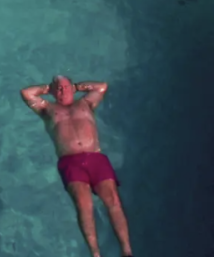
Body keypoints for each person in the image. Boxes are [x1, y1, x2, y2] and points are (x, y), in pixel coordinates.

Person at [20, 75, 133, 257]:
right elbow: (26, 93)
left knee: (112, 200)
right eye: (58, 89)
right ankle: (95, 253)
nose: (62, 91)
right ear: (53, 92)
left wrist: (77, 86)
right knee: (83, 204)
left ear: (72, 88)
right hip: (70, 161)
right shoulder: (47, 109)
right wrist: (48, 88)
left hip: (96, 157)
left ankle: (126, 250)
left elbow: (101, 86)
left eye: (65, 88)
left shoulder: (85, 104)